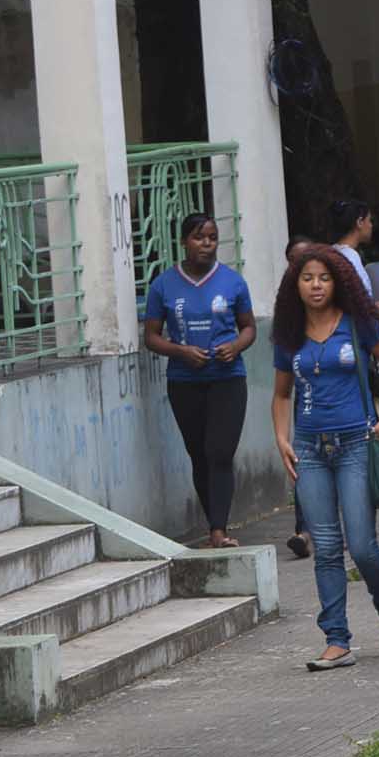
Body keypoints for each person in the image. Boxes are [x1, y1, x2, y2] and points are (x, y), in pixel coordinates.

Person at [269, 244, 379, 672]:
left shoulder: (358, 324)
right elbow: (280, 394)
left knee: (364, 546)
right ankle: (336, 639)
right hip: (310, 449)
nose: (316, 285)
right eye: (308, 278)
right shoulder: (288, 334)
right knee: (327, 548)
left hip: (355, 443)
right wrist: (281, 438)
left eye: (324, 278)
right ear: (295, 284)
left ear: (338, 283)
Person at [140, 213, 257, 548]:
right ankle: (213, 523)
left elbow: (248, 327)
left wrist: (235, 346)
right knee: (199, 454)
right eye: (198, 237)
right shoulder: (163, 285)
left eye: (212, 237)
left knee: (219, 451)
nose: (206, 244)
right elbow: (151, 336)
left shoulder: (233, 282)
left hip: (227, 378)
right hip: (184, 381)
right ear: (184, 242)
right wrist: (181, 352)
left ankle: (219, 530)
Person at [325, 198, 379, 324]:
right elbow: (357, 304)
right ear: (359, 222)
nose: (371, 226)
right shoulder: (350, 258)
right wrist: (378, 310)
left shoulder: (332, 252)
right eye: (369, 220)